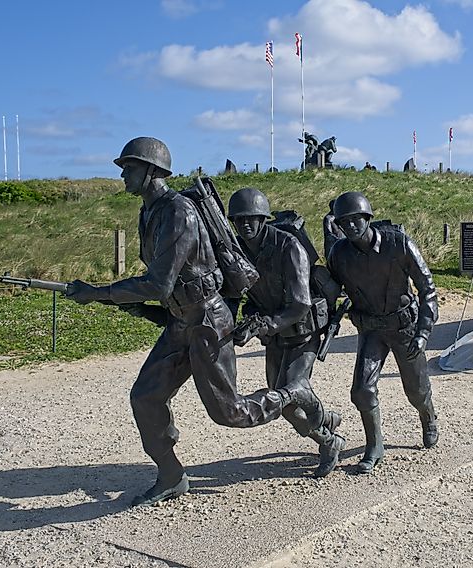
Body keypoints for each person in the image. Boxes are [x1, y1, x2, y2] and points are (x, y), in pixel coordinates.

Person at [65, 137, 328, 506]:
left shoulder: (179, 212)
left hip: (207, 321)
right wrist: (139, 306)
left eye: (130, 167)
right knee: (145, 396)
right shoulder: (148, 212)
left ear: (152, 171)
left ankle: (290, 394)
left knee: (230, 412)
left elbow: (159, 282)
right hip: (180, 320)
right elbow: (166, 282)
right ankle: (171, 476)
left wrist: (98, 292)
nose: (123, 174)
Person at [225, 188, 345, 478]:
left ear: (264, 219)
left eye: (252, 219)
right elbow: (237, 293)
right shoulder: (237, 251)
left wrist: (264, 324)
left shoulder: (288, 246)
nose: (246, 225)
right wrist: (244, 323)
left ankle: (330, 443)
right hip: (276, 337)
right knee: (282, 402)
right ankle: (326, 418)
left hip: (303, 334)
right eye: (239, 220)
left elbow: (301, 303)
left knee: (287, 401)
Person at [326, 191, 439, 473]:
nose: (351, 226)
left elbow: (428, 289)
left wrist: (423, 332)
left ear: (367, 218)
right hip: (371, 331)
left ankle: (428, 417)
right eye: (344, 222)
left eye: (356, 220)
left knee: (416, 389)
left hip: (405, 328)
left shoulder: (397, 243)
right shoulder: (339, 254)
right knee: (362, 390)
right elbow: (332, 292)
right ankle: (375, 446)